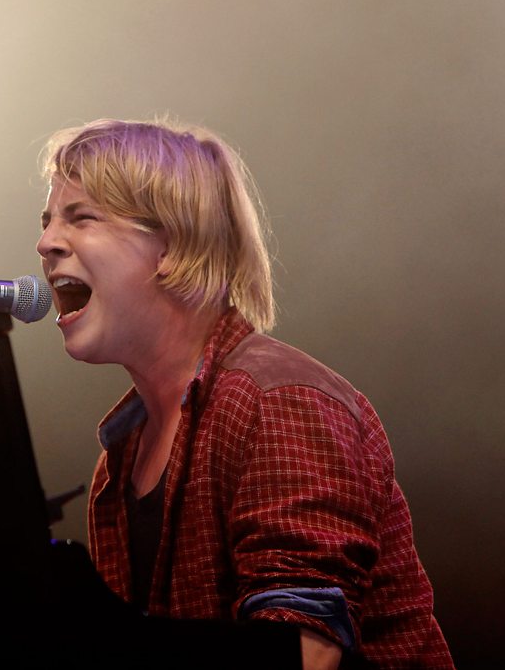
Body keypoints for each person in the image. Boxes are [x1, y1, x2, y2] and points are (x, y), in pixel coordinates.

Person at [36, 118, 454, 669]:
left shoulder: (280, 401)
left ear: (171, 244)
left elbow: (307, 652)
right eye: (46, 221)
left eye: (81, 218)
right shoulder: (122, 454)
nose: (45, 243)